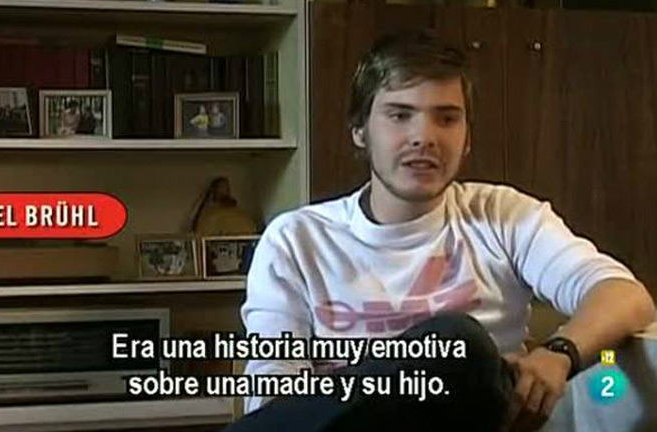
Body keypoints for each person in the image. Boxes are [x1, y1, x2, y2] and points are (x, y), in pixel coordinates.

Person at [227, 31, 655, 432]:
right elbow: (273, 394)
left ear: (466, 138)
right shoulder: (296, 240)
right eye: (400, 115)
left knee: (461, 346)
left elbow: (624, 294)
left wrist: (559, 354)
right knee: (454, 343)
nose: (424, 137)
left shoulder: (504, 216)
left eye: (447, 119)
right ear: (360, 131)